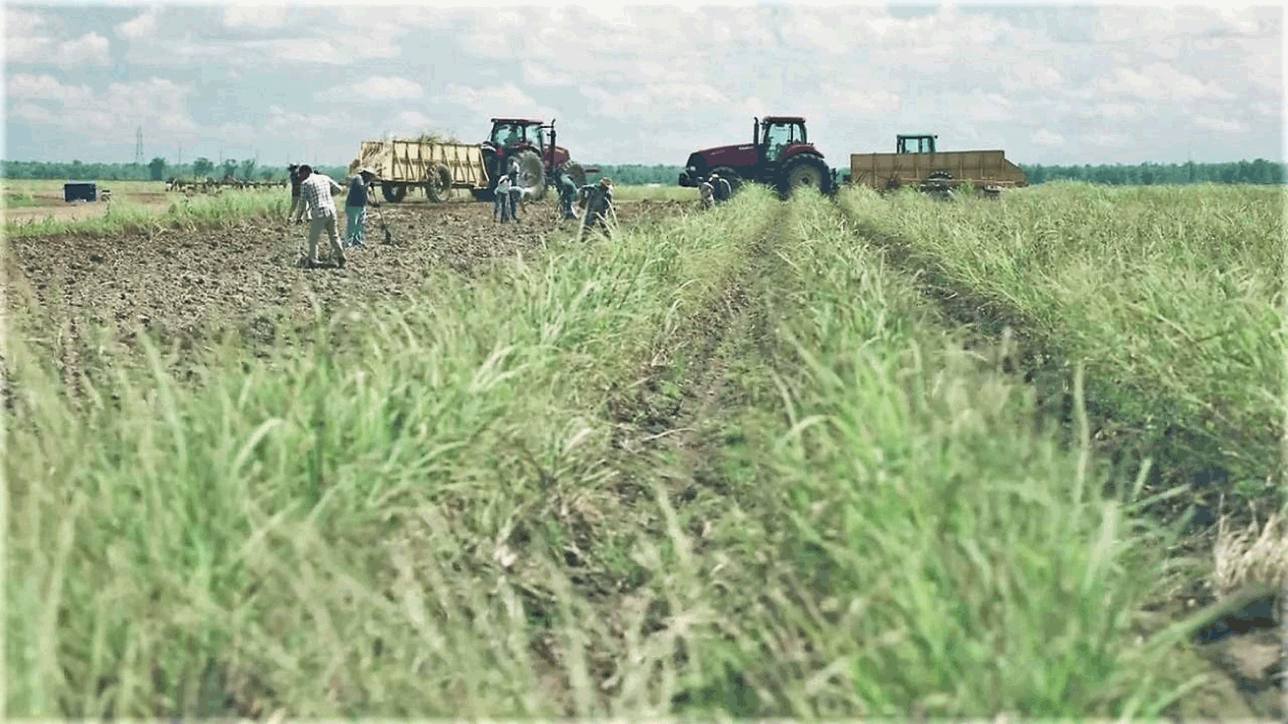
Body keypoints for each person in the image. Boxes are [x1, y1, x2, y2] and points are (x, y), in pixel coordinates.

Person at [290, 164, 346, 268]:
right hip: (331, 210)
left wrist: (299, 218)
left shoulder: (306, 183)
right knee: (334, 236)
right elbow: (339, 189)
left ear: (305, 172)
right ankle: (341, 256)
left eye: (300, 174)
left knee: (313, 239)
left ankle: (313, 260)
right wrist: (328, 195)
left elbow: (302, 203)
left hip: (319, 211)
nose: (299, 177)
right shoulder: (324, 178)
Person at [344, 167, 379, 249]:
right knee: (352, 225)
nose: (371, 178)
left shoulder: (366, 181)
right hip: (353, 206)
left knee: (360, 225)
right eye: (370, 176)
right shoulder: (358, 179)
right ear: (366, 174)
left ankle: (358, 242)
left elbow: (365, 196)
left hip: (361, 206)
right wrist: (368, 185)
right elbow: (361, 189)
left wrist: (373, 204)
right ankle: (348, 243)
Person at [578, 176, 615, 241]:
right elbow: (582, 189)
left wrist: (609, 212)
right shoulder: (593, 188)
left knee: (605, 226)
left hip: (602, 212)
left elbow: (610, 204)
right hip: (592, 210)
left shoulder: (608, 193)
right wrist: (583, 200)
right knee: (587, 226)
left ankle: (610, 239)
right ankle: (583, 240)